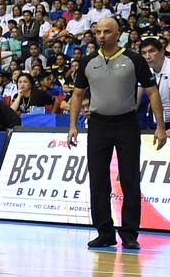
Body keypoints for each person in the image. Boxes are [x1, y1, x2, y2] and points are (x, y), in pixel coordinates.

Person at [68, 18, 166, 251]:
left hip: (126, 123)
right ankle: (105, 232)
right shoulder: (88, 61)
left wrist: (160, 126)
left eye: (107, 32)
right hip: (98, 124)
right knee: (98, 180)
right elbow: (77, 95)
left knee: (130, 179)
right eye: (98, 32)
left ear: (117, 33)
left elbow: (152, 93)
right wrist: (73, 125)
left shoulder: (134, 59)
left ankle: (130, 233)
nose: (101, 36)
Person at [140, 37, 170, 128]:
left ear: (162, 52)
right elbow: (137, 97)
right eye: (144, 53)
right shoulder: (146, 70)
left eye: (152, 51)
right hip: (158, 121)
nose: (147, 56)